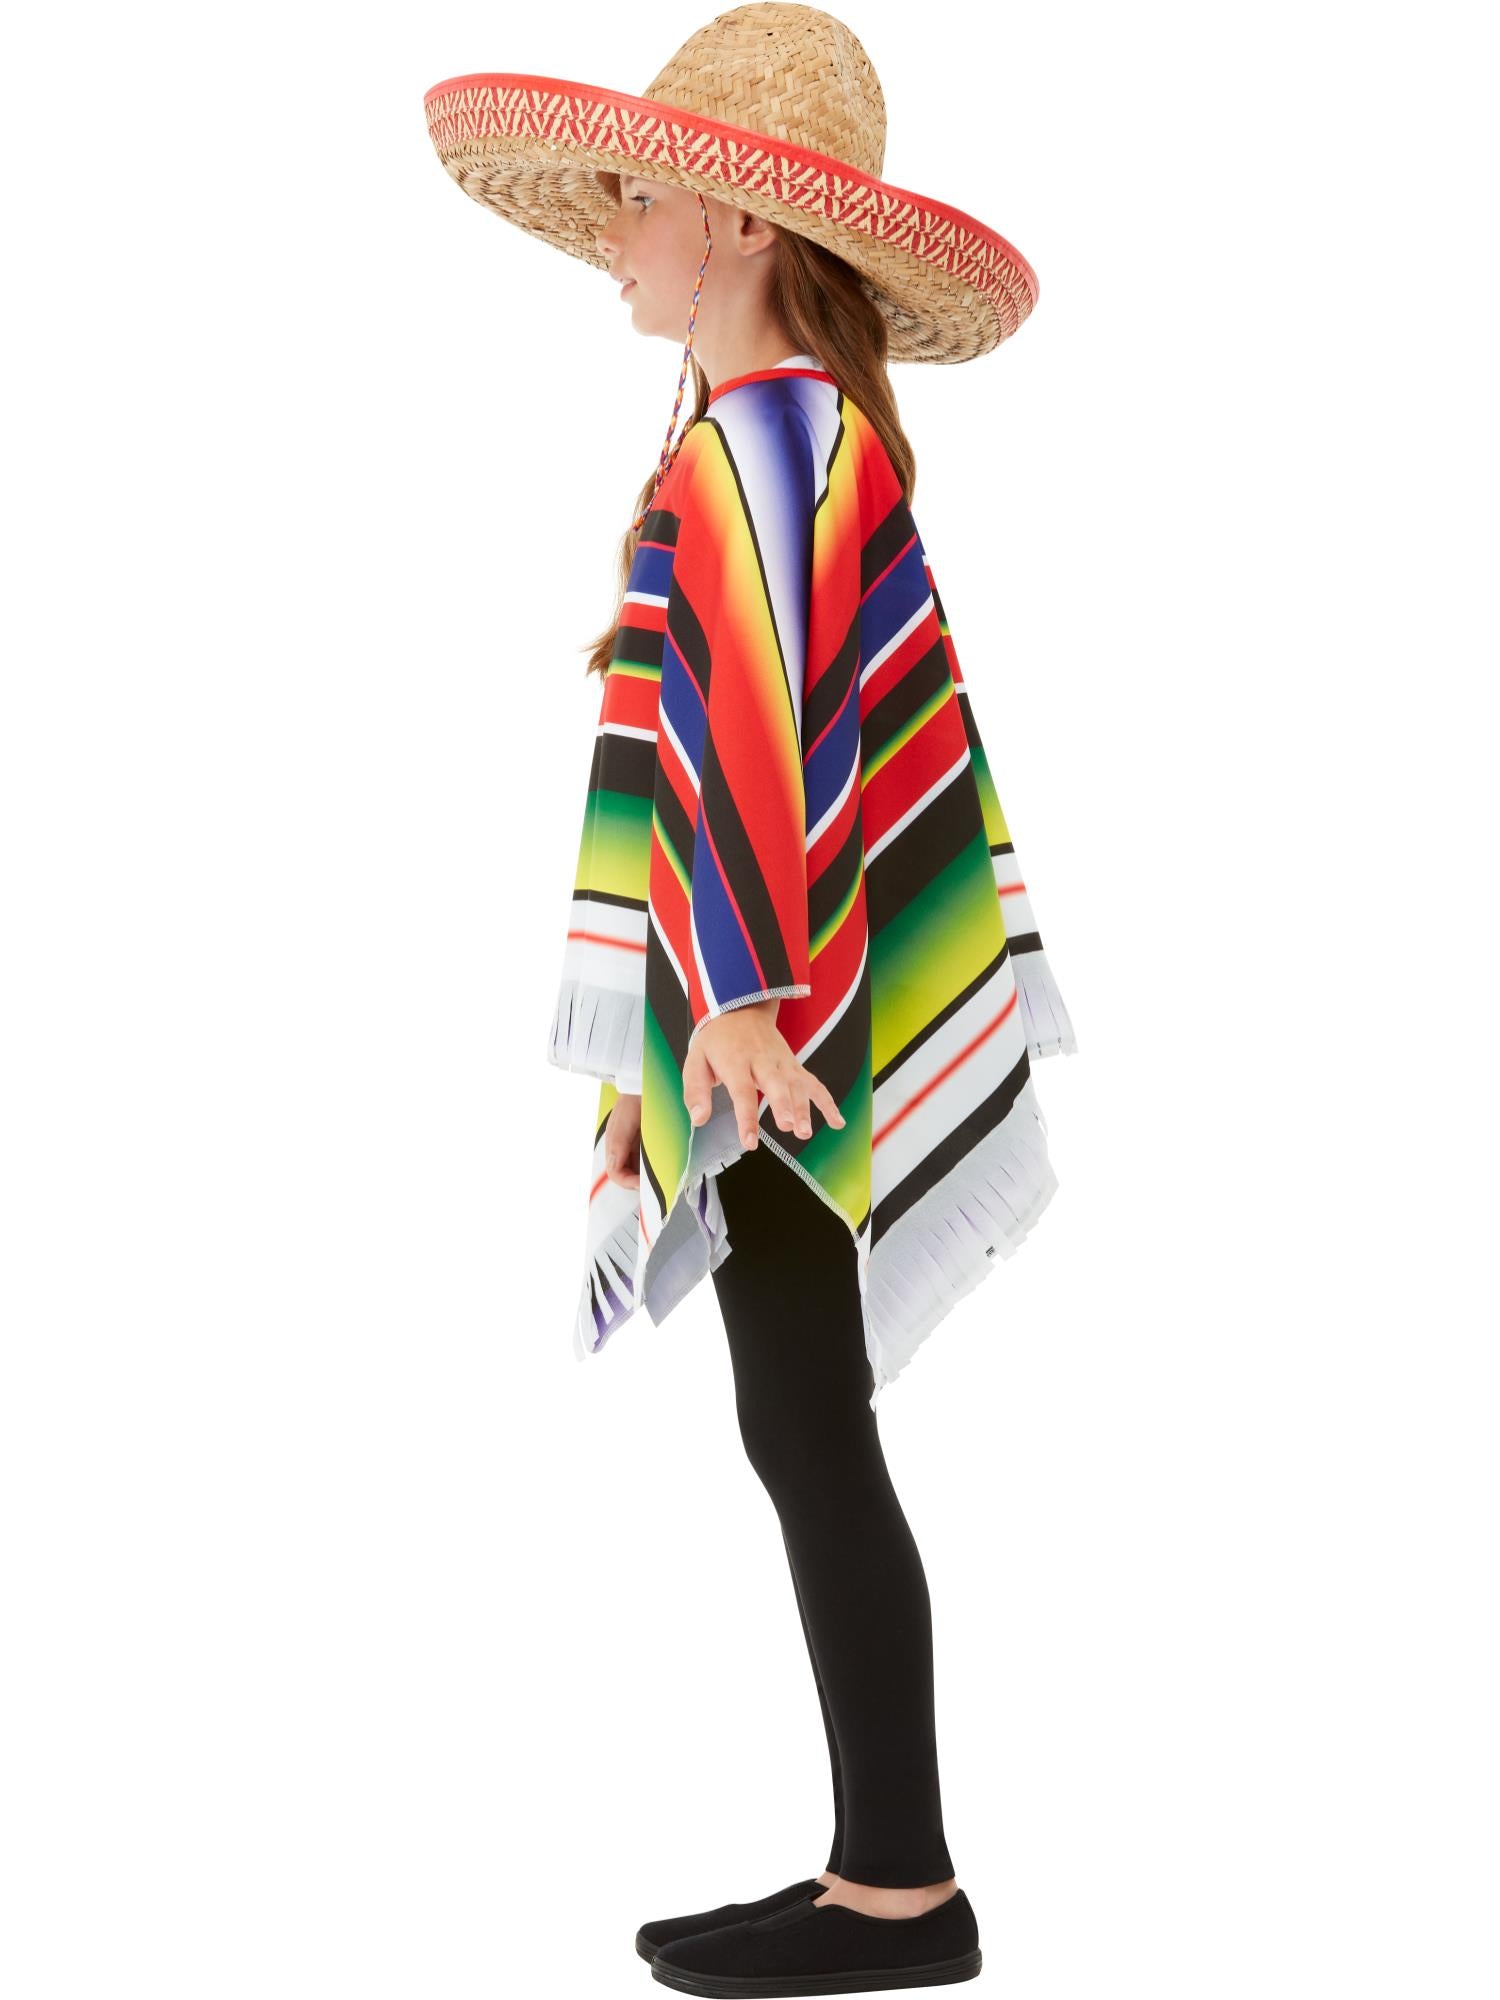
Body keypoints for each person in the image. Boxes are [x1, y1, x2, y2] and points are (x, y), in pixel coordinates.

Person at [424, 8, 1077, 1993]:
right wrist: (681, 1024)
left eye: (637, 199)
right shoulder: (762, 435)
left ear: (734, 222)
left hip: (786, 1020)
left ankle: (903, 1892)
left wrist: (733, 1004)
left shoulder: (768, 438)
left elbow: (766, 744)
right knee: (804, 1423)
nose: (615, 235)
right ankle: (882, 1869)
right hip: (768, 1003)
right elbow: (729, 732)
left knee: (807, 1426)